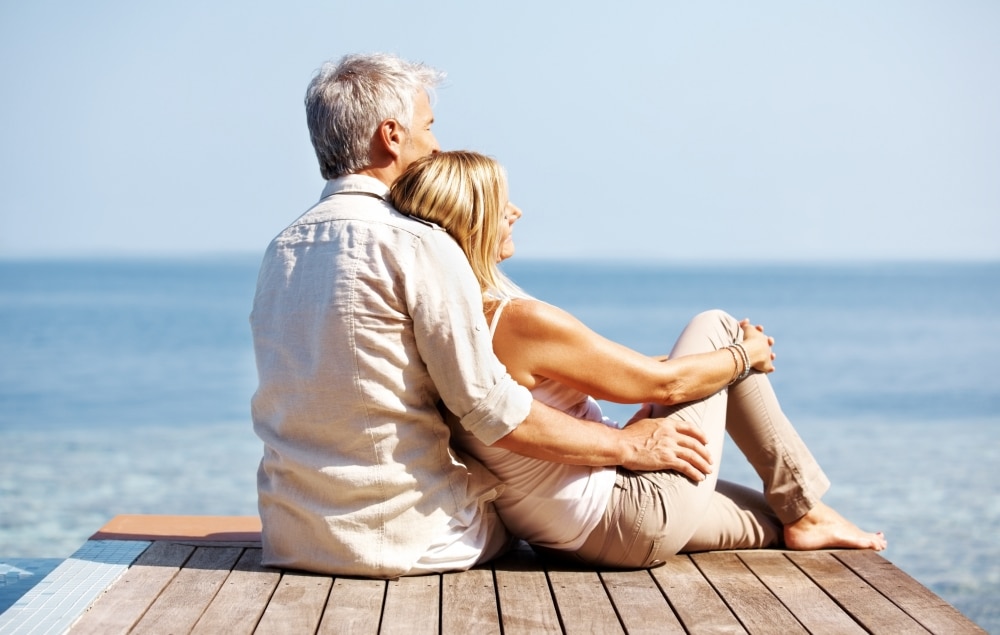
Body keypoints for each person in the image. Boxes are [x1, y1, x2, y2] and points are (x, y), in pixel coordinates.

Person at [249, 54, 721, 578]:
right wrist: (624, 444)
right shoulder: (417, 243)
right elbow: (488, 408)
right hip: (408, 538)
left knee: (723, 516)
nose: (436, 145)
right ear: (391, 135)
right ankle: (798, 507)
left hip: (293, 534)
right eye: (428, 128)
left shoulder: (282, 248)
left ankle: (795, 514)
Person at [389, 150, 887, 568]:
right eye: (501, 203)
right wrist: (744, 353)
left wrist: (723, 364)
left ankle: (802, 515)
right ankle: (805, 505)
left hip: (564, 537)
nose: (515, 211)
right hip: (626, 515)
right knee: (719, 325)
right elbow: (665, 385)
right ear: (470, 222)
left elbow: (625, 373)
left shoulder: (444, 327)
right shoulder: (517, 320)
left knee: (777, 523)